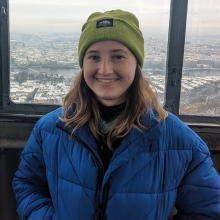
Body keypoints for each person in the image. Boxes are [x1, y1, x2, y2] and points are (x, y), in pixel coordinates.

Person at [12, 9, 220, 220]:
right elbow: (28, 186)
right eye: (93, 56)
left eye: (117, 56)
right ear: (83, 64)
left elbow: (207, 212)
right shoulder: (49, 130)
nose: (104, 69)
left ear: (137, 63)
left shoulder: (181, 141)